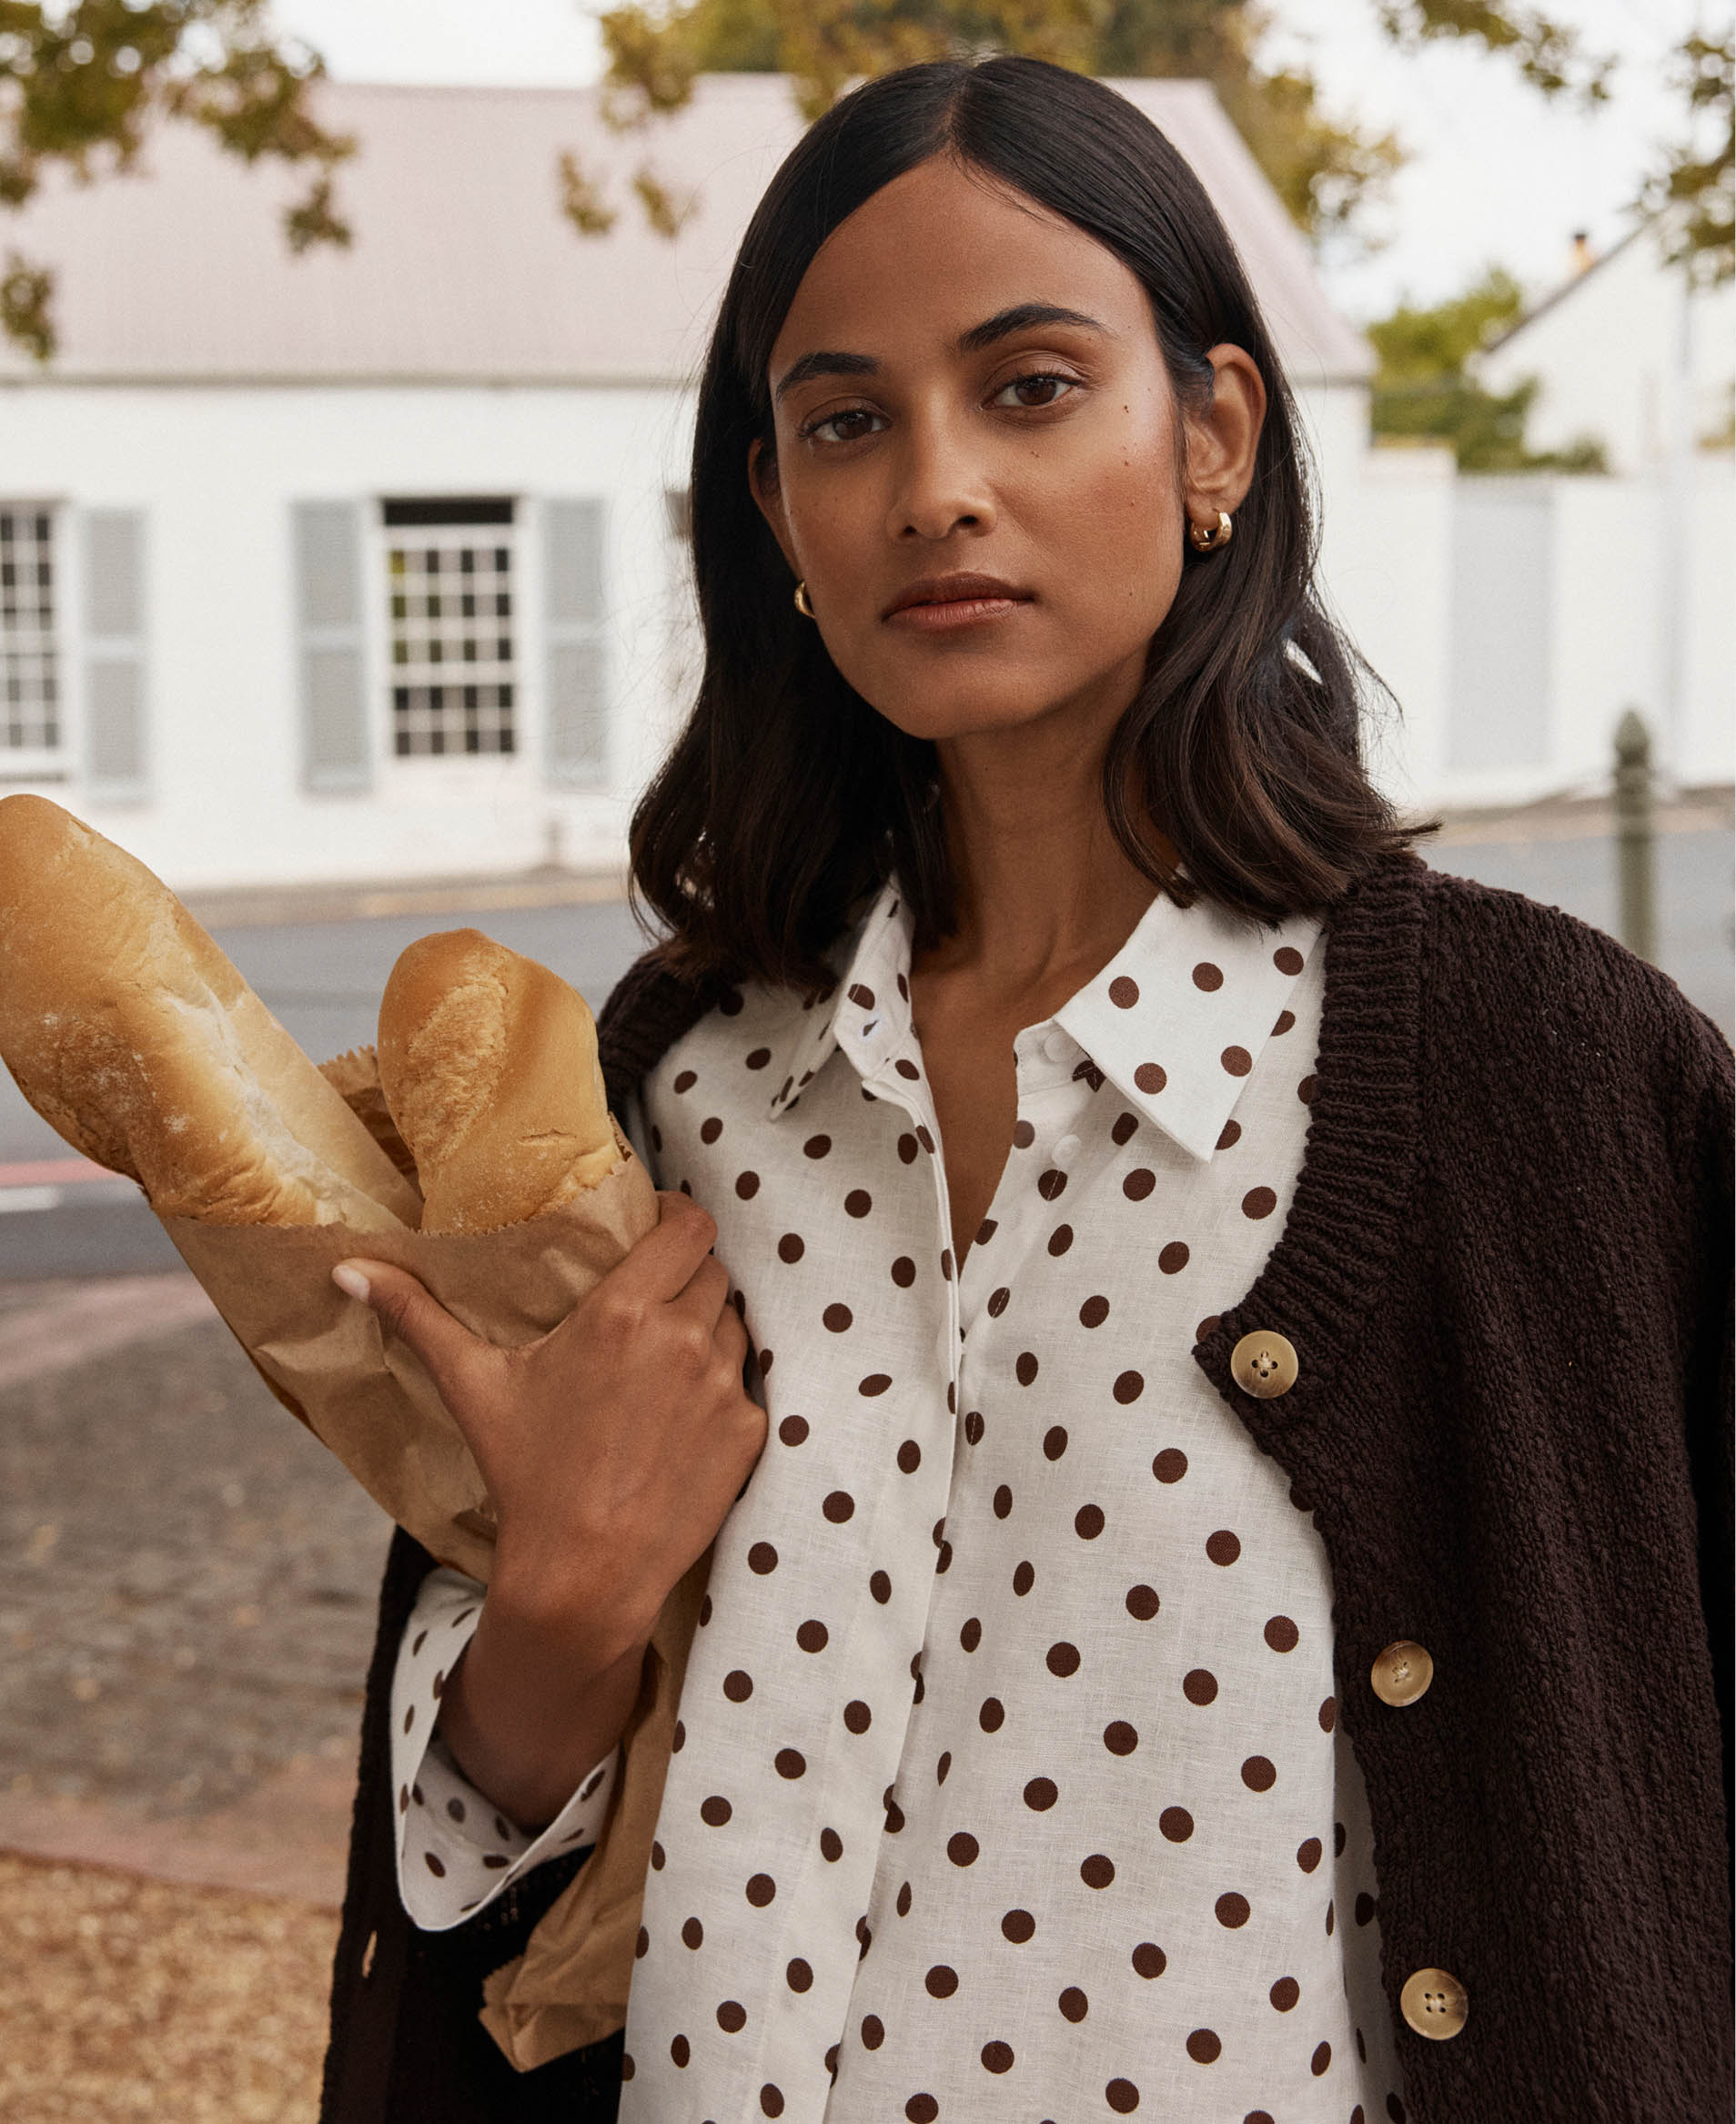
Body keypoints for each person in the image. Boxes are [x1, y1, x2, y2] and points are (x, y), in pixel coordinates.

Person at [318, 54, 1732, 2124]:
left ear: (1215, 435)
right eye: (844, 421)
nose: (934, 488)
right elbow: (458, 1861)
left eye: (1034, 385)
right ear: (776, 511)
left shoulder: (1551, 1083)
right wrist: (562, 1600)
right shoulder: (677, 1089)